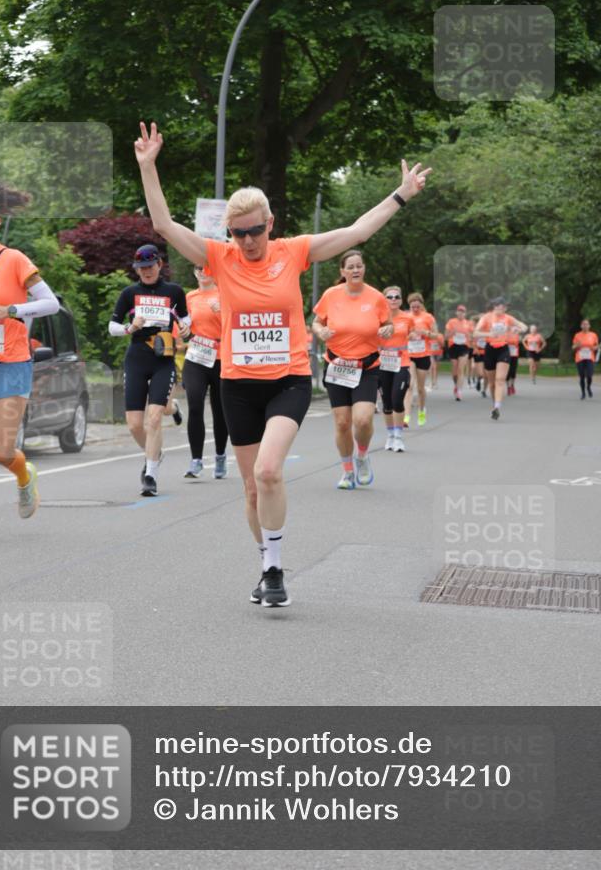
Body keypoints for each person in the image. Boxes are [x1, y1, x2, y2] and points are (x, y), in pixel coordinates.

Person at [135, 121, 430, 607]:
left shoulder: (294, 252)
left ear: (270, 224)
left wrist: (399, 195)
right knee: (251, 490)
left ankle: (274, 573)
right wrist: (148, 168)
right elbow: (165, 226)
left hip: (287, 380)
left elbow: (356, 230)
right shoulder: (220, 258)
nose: (247, 241)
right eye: (238, 233)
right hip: (238, 383)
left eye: (254, 231)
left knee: (270, 472)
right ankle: (267, 563)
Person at [0, 193, 59, 543]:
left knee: (2, 450)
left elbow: (50, 304)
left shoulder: (14, 259)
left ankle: (23, 474)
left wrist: (11, 310)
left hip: (12, 360)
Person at [108, 243, 189, 496]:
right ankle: (157, 448)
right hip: (137, 357)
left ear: (159, 265)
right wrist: (130, 327)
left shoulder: (174, 292)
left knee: (154, 417)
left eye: (150, 266)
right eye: (141, 268)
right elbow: (112, 327)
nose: (146, 271)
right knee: (134, 425)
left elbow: (186, 320)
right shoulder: (129, 293)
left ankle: (150, 473)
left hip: (163, 357)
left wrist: (186, 329)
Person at [312, 252, 393, 489]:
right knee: (342, 423)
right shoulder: (331, 295)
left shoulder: (376, 297)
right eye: (351, 267)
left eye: (359, 266)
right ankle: (347, 471)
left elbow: (388, 323)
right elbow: (316, 321)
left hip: (366, 367)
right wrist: (320, 332)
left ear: (364, 269)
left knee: (363, 419)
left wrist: (388, 330)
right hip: (337, 366)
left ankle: (362, 456)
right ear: (343, 272)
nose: (356, 270)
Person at [180, 263, 229, 479]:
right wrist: (183, 331)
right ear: (194, 272)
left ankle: (220, 456)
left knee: (220, 410)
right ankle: (196, 460)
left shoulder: (225, 294)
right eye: (199, 268)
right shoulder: (189, 297)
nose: (203, 272)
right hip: (197, 356)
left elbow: (238, 323)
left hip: (221, 358)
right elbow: (182, 329)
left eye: (208, 268)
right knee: (195, 403)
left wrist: (225, 311)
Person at [474, 297, 527, 420]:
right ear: (494, 306)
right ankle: (494, 404)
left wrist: (519, 328)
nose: (501, 308)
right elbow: (475, 333)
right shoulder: (486, 318)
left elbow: (524, 326)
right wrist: (489, 334)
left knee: (500, 380)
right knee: (492, 383)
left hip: (503, 349)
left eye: (503, 306)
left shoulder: (508, 318)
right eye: (499, 306)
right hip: (490, 349)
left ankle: (497, 406)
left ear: (505, 308)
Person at [377, 286, 412, 452]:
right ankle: (390, 435)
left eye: (396, 297)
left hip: (401, 363)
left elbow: (411, 335)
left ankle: (399, 437)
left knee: (398, 399)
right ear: (384, 299)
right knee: (387, 403)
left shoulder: (407, 318)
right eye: (389, 297)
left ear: (401, 299)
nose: (393, 299)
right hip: (383, 364)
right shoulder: (377, 318)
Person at [403, 292, 437, 426]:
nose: (415, 309)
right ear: (409, 306)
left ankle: (422, 411)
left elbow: (436, 335)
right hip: (409, 355)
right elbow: (400, 336)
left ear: (421, 305)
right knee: (409, 386)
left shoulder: (428, 317)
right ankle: (406, 416)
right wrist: (408, 337)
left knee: (421, 388)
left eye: (417, 307)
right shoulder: (405, 317)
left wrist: (426, 333)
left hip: (423, 355)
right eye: (413, 307)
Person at [445, 304, 473, 401]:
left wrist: (467, 334)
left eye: (463, 312)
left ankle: (459, 391)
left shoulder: (468, 323)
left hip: (464, 347)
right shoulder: (451, 322)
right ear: (456, 312)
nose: (461, 313)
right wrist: (453, 332)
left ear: (465, 313)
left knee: (461, 369)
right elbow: (446, 336)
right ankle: (456, 385)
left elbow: (472, 337)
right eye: (459, 311)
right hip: (453, 346)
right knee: (455, 371)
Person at [572, 318, 599, 399]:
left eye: (587, 324)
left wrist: (595, 348)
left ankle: (588, 387)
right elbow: (573, 347)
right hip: (580, 358)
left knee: (589, 375)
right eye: (583, 324)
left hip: (590, 357)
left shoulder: (593, 335)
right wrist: (577, 345)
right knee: (582, 376)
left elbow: (596, 345)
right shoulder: (577, 335)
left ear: (589, 326)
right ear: (581, 326)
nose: (585, 326)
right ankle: (583, 393)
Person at [505, 325, 521, 396]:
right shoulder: (505, 334)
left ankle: (512, 385)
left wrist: (516, 331)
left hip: (515, 355)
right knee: (507, 372)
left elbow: (522, 330)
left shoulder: (516, 333)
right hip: (506, 355)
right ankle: (508, 387)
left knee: (513, 371)